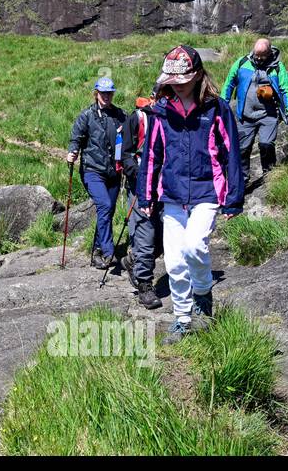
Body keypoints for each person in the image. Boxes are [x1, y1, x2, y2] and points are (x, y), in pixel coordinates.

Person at [138, 46, 244, 344]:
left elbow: (231, 154)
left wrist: (234, 198)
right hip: (171, 195)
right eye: (173, 79)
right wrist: (145, 197)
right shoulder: (160, 111)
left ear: (197, 74)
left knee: (194, 246)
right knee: (173, 262)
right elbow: (151, 157)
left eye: (184, 78)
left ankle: (202, 298)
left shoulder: (216, 108)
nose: (178, 83)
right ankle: (182, 318)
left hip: (207, 191)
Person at [67, 77, 126, 270]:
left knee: (107, 212)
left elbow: (131, 134)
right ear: (96, 94)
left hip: (114, 172)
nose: (106, 96)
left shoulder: (120, 115)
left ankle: (96, 254)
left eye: (109, 93)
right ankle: (109, 252)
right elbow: (76, 136)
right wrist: (73, 151)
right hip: (92, 170)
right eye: (103, 93)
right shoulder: (87, 116)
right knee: (105, 205)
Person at [221, 38, 288, 185]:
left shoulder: (277, 68)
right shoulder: (242, 63)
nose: (258, 58)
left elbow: (287, 89)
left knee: (266, 144)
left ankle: (270, 176)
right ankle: (242, 181)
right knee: (242, 149)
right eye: (256, 55)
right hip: (245, 117)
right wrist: (222, 105)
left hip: (268, 115)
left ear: (269, 52)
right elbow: (229, 83)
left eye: (262, 55)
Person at [122, 91, 163, 309]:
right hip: (141, 186)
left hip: (167, 187)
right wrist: (139, 175)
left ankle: (132, 261)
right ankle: (145, 286)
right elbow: (125, 154)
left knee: (163, 241)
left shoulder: (173, 119)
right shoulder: (137, 118)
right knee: (146, 237)